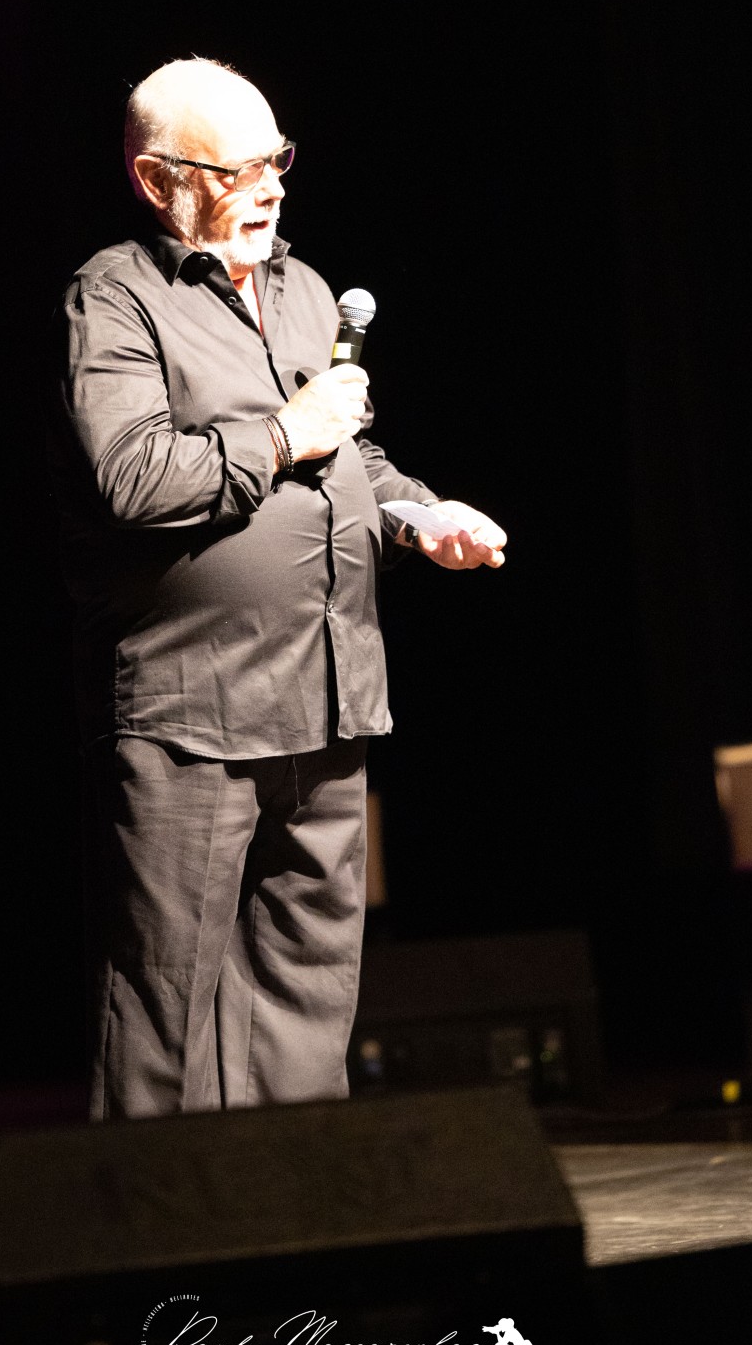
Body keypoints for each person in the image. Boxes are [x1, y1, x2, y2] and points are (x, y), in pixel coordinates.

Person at [47, 57, 506, 1119]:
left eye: (278, 161)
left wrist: (417, 515)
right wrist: (285, 434)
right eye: (237, 169)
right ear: (158, 179)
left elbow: (351, 459)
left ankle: (292, 1208)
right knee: (166, 1005)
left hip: (328, 695)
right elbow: (134, 476)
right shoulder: (115, 297)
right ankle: (150, 1224)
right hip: (192, 711)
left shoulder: (304, 291)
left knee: (306, 997)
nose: (269, 188)